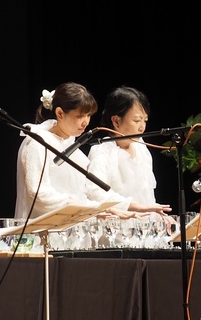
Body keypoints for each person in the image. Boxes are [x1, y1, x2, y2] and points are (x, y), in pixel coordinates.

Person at [15, 82, 166, 220]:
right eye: (80, 116)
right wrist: (91, 208)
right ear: (60, 113)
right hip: (43, 232)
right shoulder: (38, 142)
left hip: (69, 232)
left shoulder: (72, 148)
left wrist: (109, 210)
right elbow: (38, 193)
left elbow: (81, 195)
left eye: (88, 115)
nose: (86, 122)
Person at [87, 86, 171, 215]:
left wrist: (158, 215)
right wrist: (135, 207)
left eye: (145, 120)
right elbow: (95, 193)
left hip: (144, 225)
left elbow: (147, 193)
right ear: (116, 121)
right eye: (136, 120)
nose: (142, 127)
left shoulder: (140, 146)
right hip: (116, 227)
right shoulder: (102, 150)